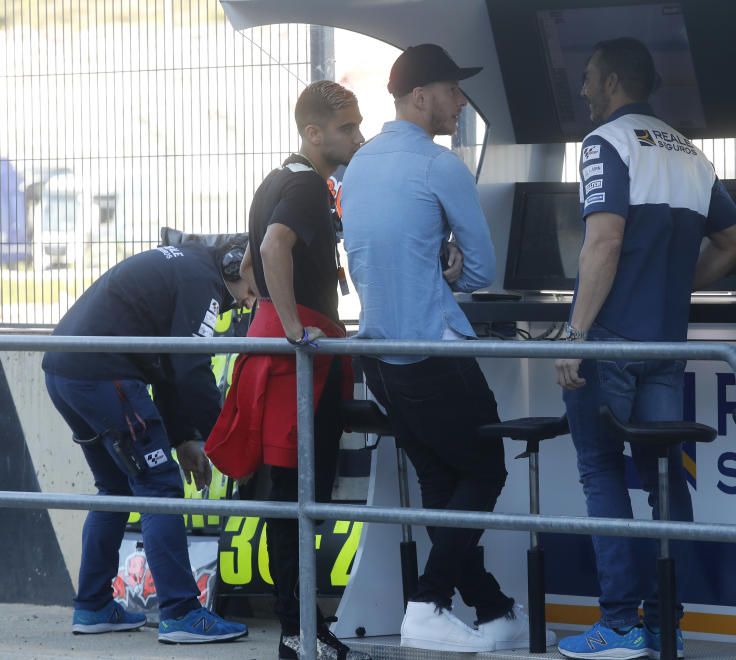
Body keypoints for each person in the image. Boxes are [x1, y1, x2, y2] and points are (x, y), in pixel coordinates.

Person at [341, 44, 552, 653]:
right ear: (418, 96)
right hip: (434, 351)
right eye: (452, 90)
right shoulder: (440, 167)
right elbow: (482, 269)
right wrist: (451, 273)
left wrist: (436, 265)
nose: (460, 102)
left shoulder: (357, 166)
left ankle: (493, 610)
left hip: (377, 354)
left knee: (440, 480)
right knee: (484, 470)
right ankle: (428, 603)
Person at [554, 38, 736, 660]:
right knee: (667, 478)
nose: (582, 90)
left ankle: (617, 625)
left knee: (601, 469)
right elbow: (735, 244)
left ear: (611, 81)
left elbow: (603, 243)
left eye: (586, 79)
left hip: (609, 341)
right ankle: (666, 624)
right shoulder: (690, 154)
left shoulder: (603, 144)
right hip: (666, 343)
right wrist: (670, 283)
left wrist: (574, 334)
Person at [41, 241, 256, 644]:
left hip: (64, 371)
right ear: (234, 265)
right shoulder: (205, 282)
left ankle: (92, 605)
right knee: (160, 487)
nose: (250, 301)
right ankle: (181, 612)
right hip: (104, 374)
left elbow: (170, 366)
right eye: (254, 286)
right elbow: (191, 368)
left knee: (115, 488)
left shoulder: (190, 267)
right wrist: (225, 438)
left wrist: (185, 438)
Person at [221, 80, 366, 660]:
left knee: (290, 496)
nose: (359, 136)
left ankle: (300, 628)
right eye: (348, 128)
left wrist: (275, 315)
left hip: (280, 354)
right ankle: (297, 630)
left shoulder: (276, 177)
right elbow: (275, 247)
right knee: (299, 496)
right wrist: (292, 327)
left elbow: (254, 257)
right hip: (297, 360)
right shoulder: (306, 186)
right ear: (313, 133)